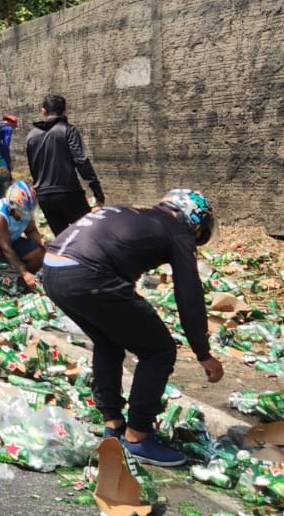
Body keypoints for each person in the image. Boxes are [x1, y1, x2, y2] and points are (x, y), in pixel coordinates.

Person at [41, 189, 224, 468]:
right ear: (194, 220)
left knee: (108, 341)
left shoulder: (134, 211)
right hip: (87, 273)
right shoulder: (178, 230)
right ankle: (138, 437)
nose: (196, 239)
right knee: (159, 350)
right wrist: (203, 351)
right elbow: (188, 293)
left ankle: (112, 424)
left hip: (53, 268)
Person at [25, 94, 104, 236]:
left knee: (62, 239)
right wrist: (96, 190)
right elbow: (81, 161)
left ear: (43, 111)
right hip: (68, 192)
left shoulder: (31, 136)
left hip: (44, 196)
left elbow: (33, 167)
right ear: (65, 111)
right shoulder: (68, 130)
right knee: (86, 235)